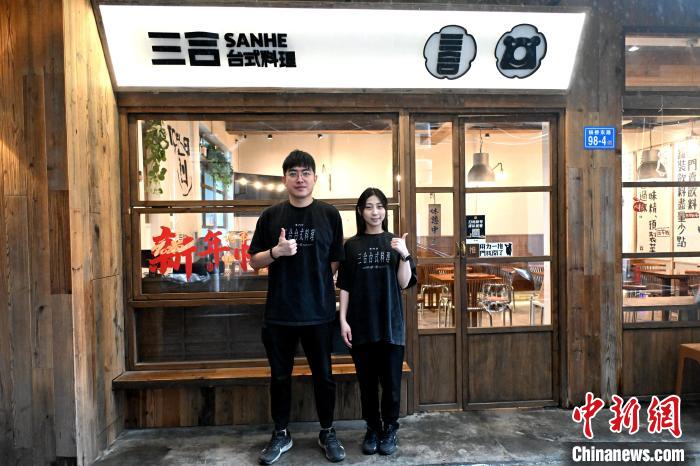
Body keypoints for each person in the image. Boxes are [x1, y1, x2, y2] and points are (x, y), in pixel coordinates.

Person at [249, 149, 346, 464]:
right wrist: (275, 252)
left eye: (305, 173)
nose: (300, 178)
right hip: (280, 313)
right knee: (279, 377)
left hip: (319, 312)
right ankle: (281, 433)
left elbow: (335, 261)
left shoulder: (329, 215)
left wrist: (314, 281)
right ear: (284, 179)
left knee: (324, 376)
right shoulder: (271, 216)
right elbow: (254, 262)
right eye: (293, 173)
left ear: (315, 178)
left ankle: (327, 431)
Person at [336, 187, 416, 456]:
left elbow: (404, 283)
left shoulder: (395, 242)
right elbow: (345, 285)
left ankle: (390, 429)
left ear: (385, 211)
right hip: (361, 324)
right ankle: (372, 428)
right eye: (369, 207)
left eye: (379, 206)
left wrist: (404, 254)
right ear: (360, 211)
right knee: (367, 384)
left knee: (391, 384)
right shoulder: (352, 246)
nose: (375, 212)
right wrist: (343, 320)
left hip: (391, 324)